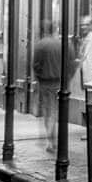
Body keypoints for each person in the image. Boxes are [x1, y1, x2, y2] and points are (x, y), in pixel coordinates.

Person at [32, 22, 66, 154]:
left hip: (45, 83)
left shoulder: (40, 45)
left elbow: (35, 65)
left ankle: (50, 140)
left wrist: (40, 76)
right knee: (56, 111)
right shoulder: (61, 44)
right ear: (55, 29)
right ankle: (54, 139)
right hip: (59, 82)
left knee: (48, 111)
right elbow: (70, 63)